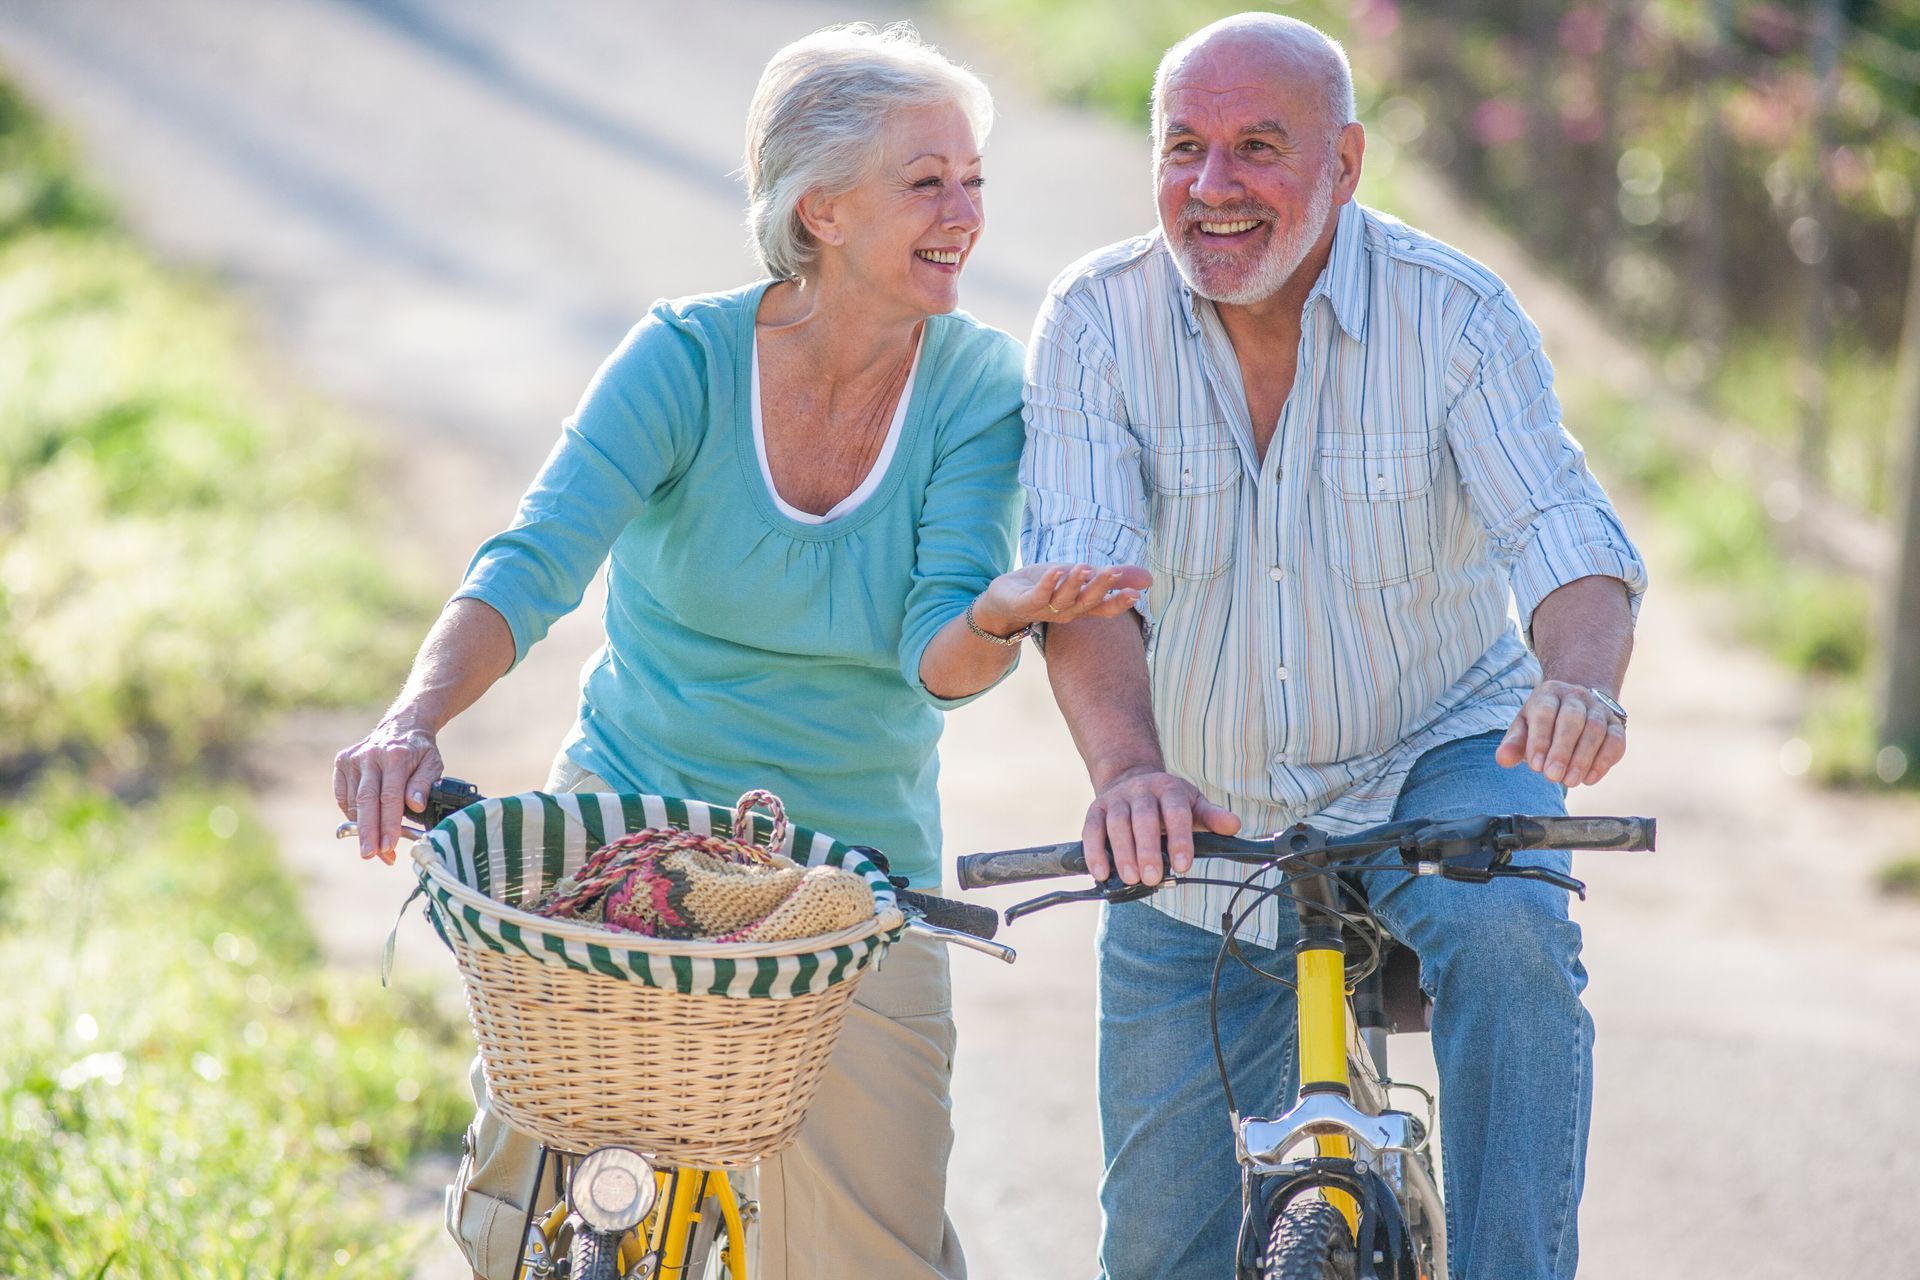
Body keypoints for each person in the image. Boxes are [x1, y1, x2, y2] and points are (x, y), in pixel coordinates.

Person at [332, 23, 1144, 1280]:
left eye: (974, 179)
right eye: (927, 181)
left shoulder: (981, 385)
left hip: (852, 880)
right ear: (818, 210)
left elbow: (937, 652)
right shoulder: (683, 359)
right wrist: (411, 717)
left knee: (872, 1254)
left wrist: (1000, 617)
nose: (966, 212)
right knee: (515, 1220)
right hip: (627, 834)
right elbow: (533, 562)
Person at [1020, 13, 1648, 1280]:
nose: (1213, 186)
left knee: (1516, 931)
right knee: (1160, 1255)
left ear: (1347, 164)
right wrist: (1127, 769)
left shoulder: (1456, 315)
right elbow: (1085, 585)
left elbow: (1566, 535)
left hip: (1439, 748)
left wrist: (1578, 681)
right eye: (1183, 146)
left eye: (1259, 146)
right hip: (1201, 804)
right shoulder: (1094, 320)